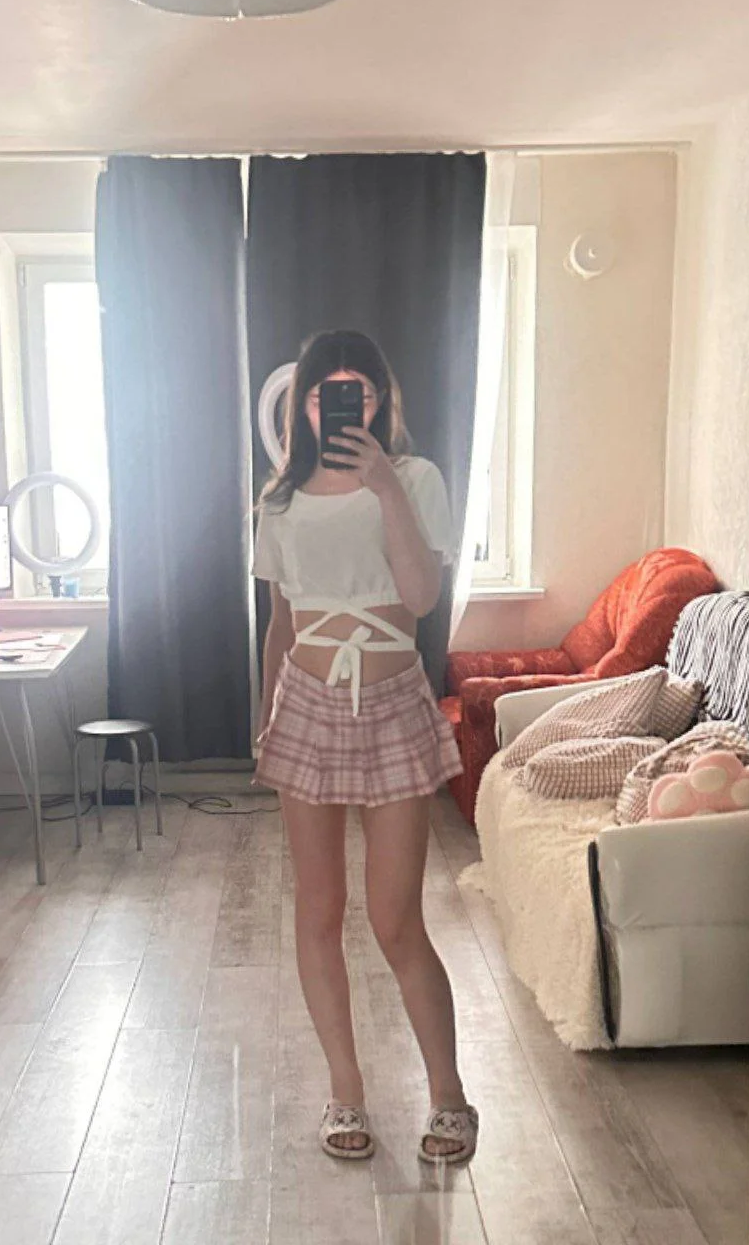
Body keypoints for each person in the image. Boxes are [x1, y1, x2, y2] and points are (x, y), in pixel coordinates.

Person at [253, 330, 478, 1165]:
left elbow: (419, 599)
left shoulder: (414, 479)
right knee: (317, 912)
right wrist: (264, 720)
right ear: (303, 404)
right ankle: (344, 1090)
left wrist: (383, 485)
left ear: (381, 401)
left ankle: (448, 1096)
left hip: (390, 704)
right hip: (306, 704)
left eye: (360, 391)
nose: (342, 405)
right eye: (325, 393)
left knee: (396, 920)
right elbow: (279, 623)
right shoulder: (279, 501)